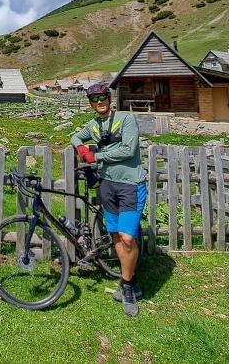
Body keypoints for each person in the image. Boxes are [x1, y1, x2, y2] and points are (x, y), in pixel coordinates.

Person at [70, 82, 146, 317]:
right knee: (115, 235)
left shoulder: (125, 119)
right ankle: (129, 283)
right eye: (94, 99)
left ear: (110, 99)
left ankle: (128, 286)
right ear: (90, 103)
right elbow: (75, 137)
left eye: (103, 97)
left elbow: (128, 149)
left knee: (128, 237)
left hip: (131, 184)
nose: (99, 102)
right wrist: (81, 148)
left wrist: (96, 155)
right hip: (107, 185)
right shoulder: (93, 125)